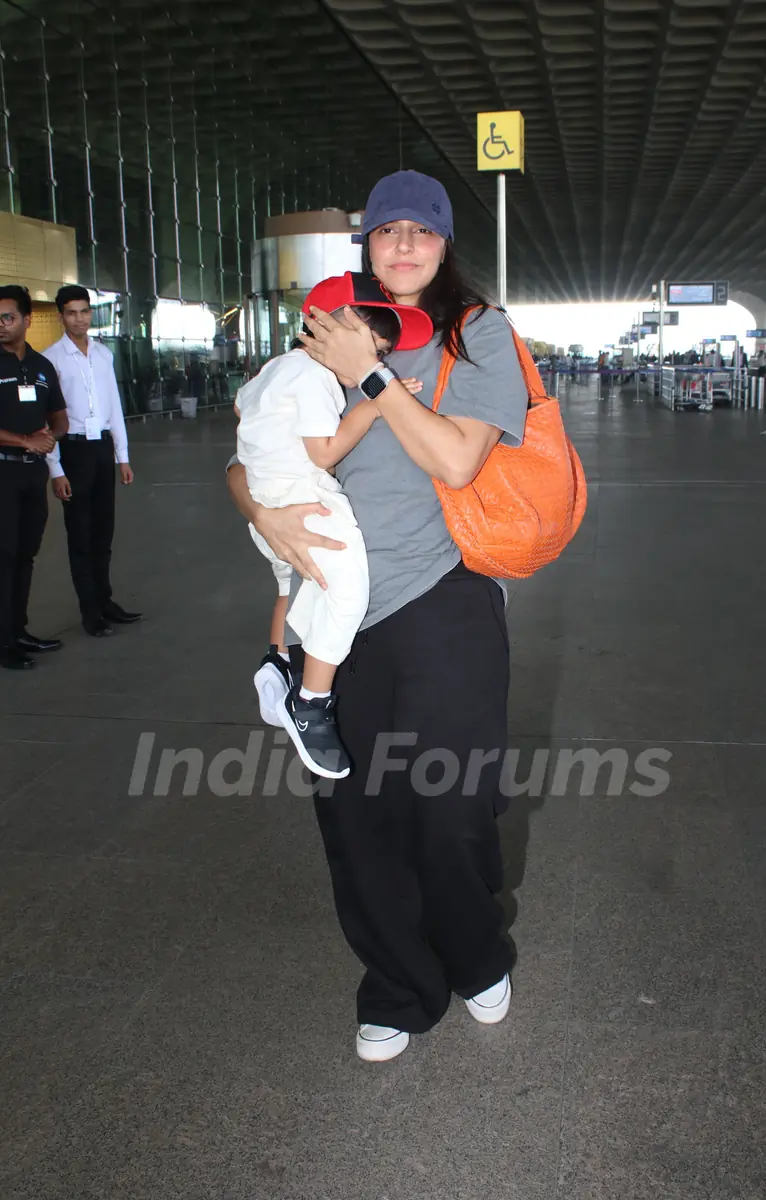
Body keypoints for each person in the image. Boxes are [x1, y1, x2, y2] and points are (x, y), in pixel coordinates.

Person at [227, 169, 528, 1063]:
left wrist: (371, 377)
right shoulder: (326, 327)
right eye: (387, 229)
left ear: (443, 245)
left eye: (421, 231)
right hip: (333, 613)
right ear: (367, 246)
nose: (403, 244)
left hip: (445, 599)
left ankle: (476, 957)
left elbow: (457, 460)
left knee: (453, 809)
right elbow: (252, 451)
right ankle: (397, 984)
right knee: (356, 817)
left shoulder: (477, 334)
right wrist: (259, 510)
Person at [238, 272, 432, 779]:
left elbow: (242, 407)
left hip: (264, 497)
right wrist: (372, 405)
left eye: (382, 355)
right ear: (327, 329)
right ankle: (312, 702)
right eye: (372, 348)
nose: (376, 363)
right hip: (303, 497)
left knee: (292, 579)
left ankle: (278, 660)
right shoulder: (315, 377)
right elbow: (324, 452)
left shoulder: (277, 369)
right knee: (347, 590)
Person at [43, 285, 141, 637]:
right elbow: (48, 418)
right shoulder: (51, 359)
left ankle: (105, 601)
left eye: (84, 311)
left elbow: (113, 404)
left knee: (103, 532)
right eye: (71, 312)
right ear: (61, 316)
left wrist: (122, 456)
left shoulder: (102, 355)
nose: (79, 319)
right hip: (72, 451)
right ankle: (90, 612)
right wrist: (56, 469)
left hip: (101, 450)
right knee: (80, 535)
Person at [0, 285, 68, 670]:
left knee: (25, 555)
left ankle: (19, 630)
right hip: (3, 471)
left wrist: (47, 439)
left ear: (27, 320)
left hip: (32, 475)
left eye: (8, 317)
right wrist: (25, 440)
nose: (1, 325)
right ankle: (3, 640)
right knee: (4, 555)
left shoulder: (41, 367)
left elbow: (59, 415)